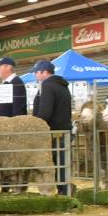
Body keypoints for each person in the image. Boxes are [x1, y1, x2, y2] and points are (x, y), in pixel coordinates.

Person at [30, 59, 71, 195]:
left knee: (54, 161)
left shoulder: (47, 86)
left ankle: (62, 190)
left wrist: (37, 124)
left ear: (44, 72)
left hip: (52, 131)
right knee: (62, 160)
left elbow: (45, 112)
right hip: (65, 129)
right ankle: (64, 189)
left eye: (36, 73)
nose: (35, 76)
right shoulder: (62, 85)